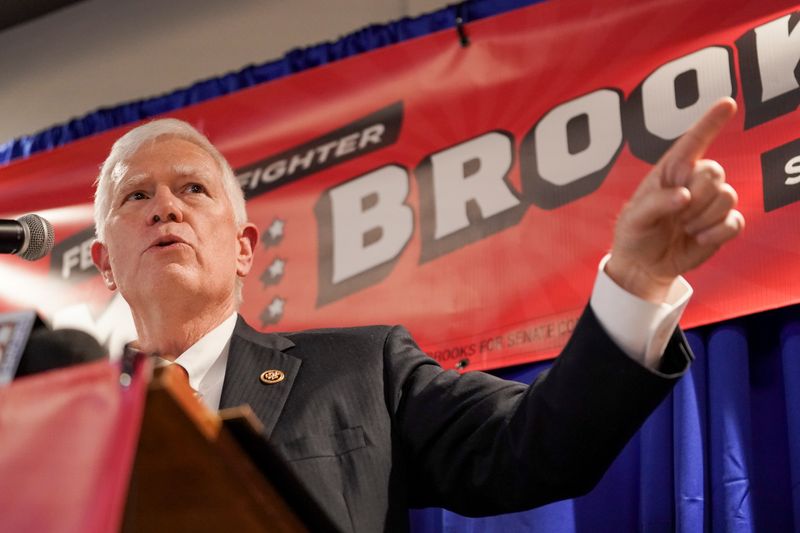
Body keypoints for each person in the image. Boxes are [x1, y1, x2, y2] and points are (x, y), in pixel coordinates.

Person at [90, 98, 743, 532]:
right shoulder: (66, 428)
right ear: (104, 263)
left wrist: (638, 279)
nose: (166, 208)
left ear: (243, 248)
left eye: (193, 189)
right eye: (137, 195)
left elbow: (536, 444)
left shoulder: (363, 371)